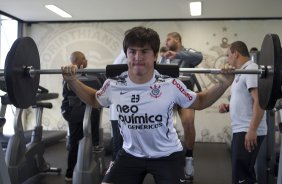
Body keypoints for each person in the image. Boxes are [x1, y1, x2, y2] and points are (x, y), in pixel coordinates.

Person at [61, 26, 234, 184]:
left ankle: (188, 158)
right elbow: (93, 99)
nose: (137, 58)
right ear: (126, 54)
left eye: (144, 52)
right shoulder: (114, 84)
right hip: (130, 153)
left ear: (155, 55)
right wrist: (72, 81)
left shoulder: (170, 84)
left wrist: (224, 84)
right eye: (132, 52)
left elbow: (201, 101)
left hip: (167, 155)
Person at [218, 41, 267, 184]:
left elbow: (259, 101)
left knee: (242, 177)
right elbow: (246, 100)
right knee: (243, 174)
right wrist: (228, 107)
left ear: (236, 53)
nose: (228, 59)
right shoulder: (241, 72)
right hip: (242, 129)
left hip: (248, 130)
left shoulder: (251, 69)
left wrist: (252, 130)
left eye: (228, 55)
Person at [160, 32, 203, 181]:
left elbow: (199, 57)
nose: (166, 41)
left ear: (178, 40)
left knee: (188, 122)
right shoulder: (164, 57)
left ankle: (189, 157)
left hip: (185, 93)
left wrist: (177, 55)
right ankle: (167, 159)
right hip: (167, 95)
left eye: (169, 39)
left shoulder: (187, 52)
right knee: (164, 125)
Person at [61, 51, 102, 182]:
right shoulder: (71, 72)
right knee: (75, 142)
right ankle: (70, 173)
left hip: (79, 110)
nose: (86, 60)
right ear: (77, 61)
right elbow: (69, 85)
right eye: (84, 58)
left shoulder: (84, 74)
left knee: (96, 109)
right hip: (73, 111)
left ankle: (94, 148)